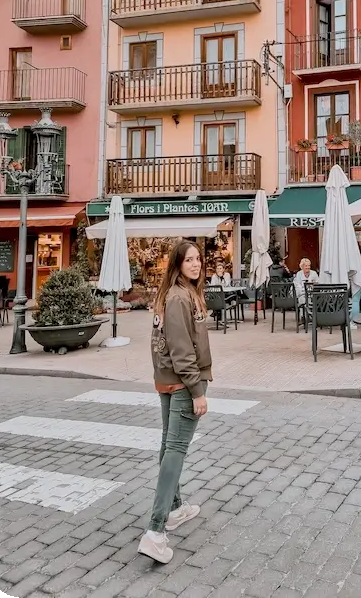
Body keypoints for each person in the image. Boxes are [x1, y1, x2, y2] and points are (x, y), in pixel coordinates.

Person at [138, 240, 212, 565]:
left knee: (169, 447)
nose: (195, 264)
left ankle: (175, 508)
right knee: (176, 450)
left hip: (168, 379)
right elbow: (182, 351)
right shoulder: (180, 297)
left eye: (198, 259)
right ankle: (155, 531)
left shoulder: (174, 294)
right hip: (183, 382)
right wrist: (197, 390)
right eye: (189, 260)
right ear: (178, 265)